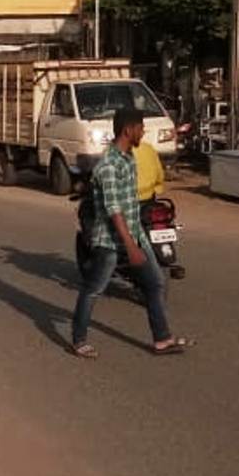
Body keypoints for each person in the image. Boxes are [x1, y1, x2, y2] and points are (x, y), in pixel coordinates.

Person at [71, 108, 190, 359]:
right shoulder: (109, 165)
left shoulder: (129, 157)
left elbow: (129, 203)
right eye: (140, 127)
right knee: (93, 289)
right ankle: (79, 339)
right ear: (128, 130)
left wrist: (138, 241)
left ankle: (162, 339)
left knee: (156, 283)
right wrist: (131, 246)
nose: (143, 132)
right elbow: (114, 211)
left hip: (136, 233)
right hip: (112, 242)